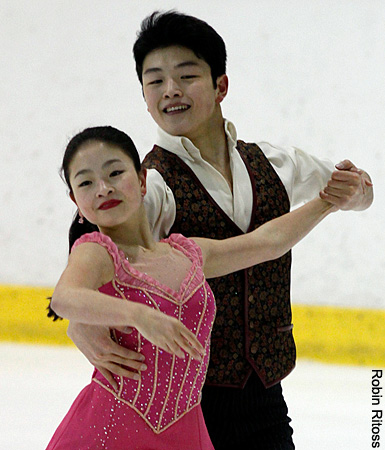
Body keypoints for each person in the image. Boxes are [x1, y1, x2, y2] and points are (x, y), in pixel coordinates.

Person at [63, 11, 373, 450]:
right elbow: (93, 238)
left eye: (186, 75)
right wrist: (79, 320)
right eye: (155, 81)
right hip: (185, 401)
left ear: (220, 85)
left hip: (265, 388)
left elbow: (337, 205)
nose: (170, 90)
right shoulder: (153, 184)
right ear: (145, 97)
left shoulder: (274, 164)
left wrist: (355, 189)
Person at [46, 125, 337, 449]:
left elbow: (267, 243)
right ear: (75, 198)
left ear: (142, 180)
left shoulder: (186, 252)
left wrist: (327, 201)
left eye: (115, 173)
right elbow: (65, 298)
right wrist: (140, 316)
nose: (103, 188)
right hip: (113, 429)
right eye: (86, 182)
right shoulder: (97, 251)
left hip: (186, 430)